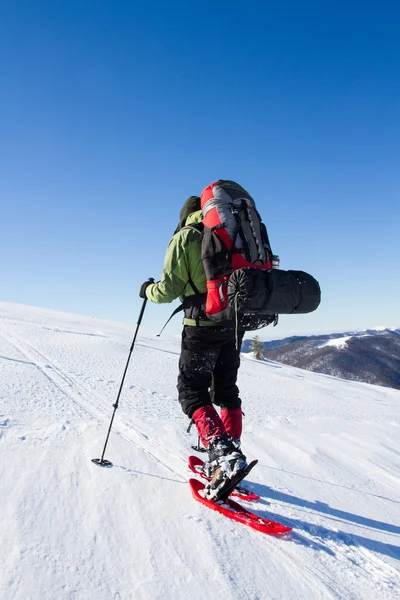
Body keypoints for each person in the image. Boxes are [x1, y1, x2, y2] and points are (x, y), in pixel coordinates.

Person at [139, 191, 248, 500]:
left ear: (184, 216)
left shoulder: (185, 237)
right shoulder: (232, 232)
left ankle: (223, 456)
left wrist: (148, 290)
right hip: (234, 325)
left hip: (201, 326)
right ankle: (230, 450)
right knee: (226, 389)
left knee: (192, 391)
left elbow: (168, 290)